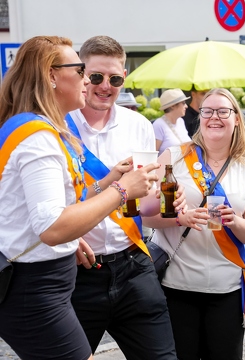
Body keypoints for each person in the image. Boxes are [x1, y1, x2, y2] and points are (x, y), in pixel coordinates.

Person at [0, 36, 158, 360]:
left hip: (43, 284)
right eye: (82, 70)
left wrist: (110, 180)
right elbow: (54, 226)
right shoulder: (37, 139)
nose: (88, 79)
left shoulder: (38, 128)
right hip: (35, 288)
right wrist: (123, 189)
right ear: (52, 75)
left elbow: (64, 203)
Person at [67, 35, 179, 360]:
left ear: (124, 78)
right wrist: (66, 239)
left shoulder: (139, 125)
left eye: (114, 79)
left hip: (132, 264)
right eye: (96, 77)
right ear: (80, 74)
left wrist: (168, 196)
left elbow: (144, 202)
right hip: (75, 273)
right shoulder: (57, 126)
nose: (105, 86)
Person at [140, 88, 245, 360]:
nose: (215, 117)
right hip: (176, 286)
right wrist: (180, 218)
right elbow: (147, 215)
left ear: (236, 119)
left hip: (227, 290)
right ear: (199, 117)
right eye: (208, 111)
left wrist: (235, 222)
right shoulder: (173, 159)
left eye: (224, 111)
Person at [154, 88, 192, 155]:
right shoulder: (158, 124)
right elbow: (153, 153)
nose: (186, 106)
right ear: (173, 106)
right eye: (183, 103)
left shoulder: (181, 121)